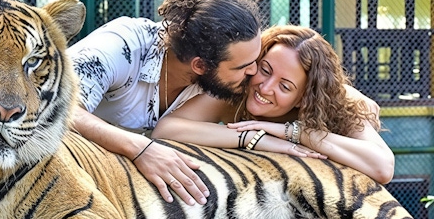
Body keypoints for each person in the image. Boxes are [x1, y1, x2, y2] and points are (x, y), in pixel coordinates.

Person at [68, 0, 263, 206]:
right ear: (200, 66)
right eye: (242, 67)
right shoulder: (122, 46)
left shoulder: (217, 80)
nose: (254, 71)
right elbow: (56, 108)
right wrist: (140, 149)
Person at [152, 24, 394, 184]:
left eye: (285, 86)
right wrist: (253, 137)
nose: (265, 88)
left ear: (304, 98)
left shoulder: (343, 103)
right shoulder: (238, 90)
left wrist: (294, 133)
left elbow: (382, 167)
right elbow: (166, 130)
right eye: (265, 70)